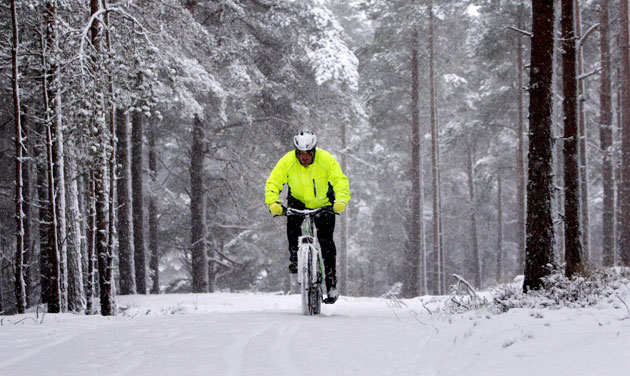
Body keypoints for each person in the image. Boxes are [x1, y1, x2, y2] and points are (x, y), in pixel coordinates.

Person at [265, 130, 350, 303]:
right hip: (298, 201)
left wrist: (340, 200)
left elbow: (339, 180)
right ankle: (295, 257)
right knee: (292, 224)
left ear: (314, 151)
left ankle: (331, 284)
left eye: (308, 153)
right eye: (300, 153)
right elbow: (273, 181)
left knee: (326, 242)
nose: (304, 157)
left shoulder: (325, 160)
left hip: (323, 203)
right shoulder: (287, 161)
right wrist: (273, 203)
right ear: (296, 152)